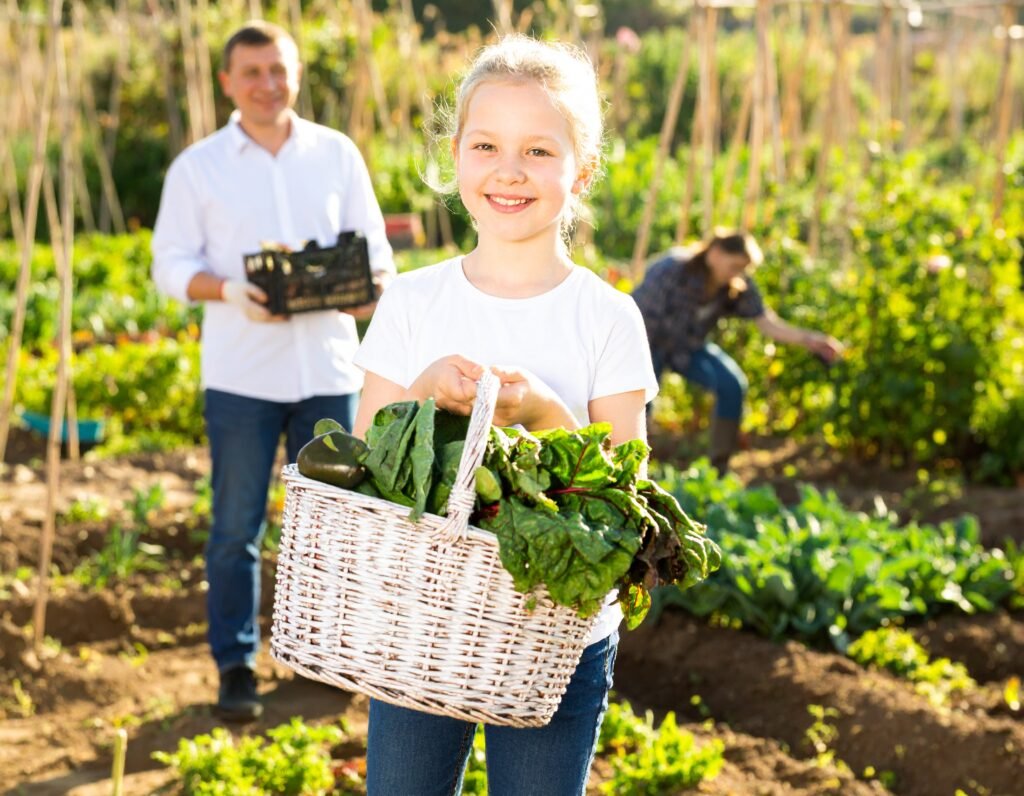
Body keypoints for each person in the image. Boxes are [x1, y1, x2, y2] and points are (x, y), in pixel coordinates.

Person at [352, 35, 657, 795]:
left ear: (582, 169)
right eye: (486, 145)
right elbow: (360, 458)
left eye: (539, 151)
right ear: (456, 157)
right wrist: (421, 386)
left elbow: (631, 489)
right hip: (419, 623)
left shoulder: (607, 317)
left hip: (559, 634)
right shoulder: (414, 301)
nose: (509, 170)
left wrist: (550, 411)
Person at [150, 21, 395, 721]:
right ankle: (235, 664)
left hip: (330, 367)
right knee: (236, 527)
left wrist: (358, 282)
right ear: (228, 82)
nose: (267, 84)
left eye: (278, 70)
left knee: (332, 525)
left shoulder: (336, 154)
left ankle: (326, 657)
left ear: (295, 75)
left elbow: (377, 255)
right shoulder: (198, 167)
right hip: (240, 375)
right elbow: (169, 266)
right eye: (251, 72)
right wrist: (231, 292)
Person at [632, 231, 844, 473]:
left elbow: (767, 322)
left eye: (742, 268)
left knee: (732, 385)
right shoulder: (671, 270)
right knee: (639, 398)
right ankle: (632, 465)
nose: (738, 273)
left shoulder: (735, 285)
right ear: (714, 253)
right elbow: (635, 317)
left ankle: (718, 468)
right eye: (734, 266)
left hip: (688, 349)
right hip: (648, 344)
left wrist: (812, 340)